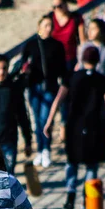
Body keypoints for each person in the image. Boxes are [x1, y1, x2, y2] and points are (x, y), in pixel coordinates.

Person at [44, 46, 105, 209]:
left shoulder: (72, 77)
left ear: (82, 59)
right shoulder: (103, 80)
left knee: (72, 162)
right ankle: (88, 202)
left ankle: (70, 194)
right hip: (95, 127)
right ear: (98, 61)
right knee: (91, 165)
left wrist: (49, 121)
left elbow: (58, 100)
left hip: (74, 125)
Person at [21, 14, 67, 168]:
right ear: (39, 27)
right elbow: (23, 63)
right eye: (45, 25)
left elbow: (62, 67)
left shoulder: (57, 45)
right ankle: (40, 150)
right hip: (33, 86)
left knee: (45, 119)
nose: (48, 28)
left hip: (50, 86)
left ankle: (46, 149)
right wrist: (25, 70)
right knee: (36, 119)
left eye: (50, 25)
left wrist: (64, 84)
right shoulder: (31, 44)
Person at [49, 0, 86, 140]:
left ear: (66, 4)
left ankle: (64, 125)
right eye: (54, 6)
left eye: (59, 6)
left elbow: (83, 42)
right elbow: (41, 37)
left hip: (71, 62)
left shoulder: (76, 18)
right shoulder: (50, 19)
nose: (57, 9)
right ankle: (51, 125)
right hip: (53, 62)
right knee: (53, 94)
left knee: (67, 95)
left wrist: (81, 62)